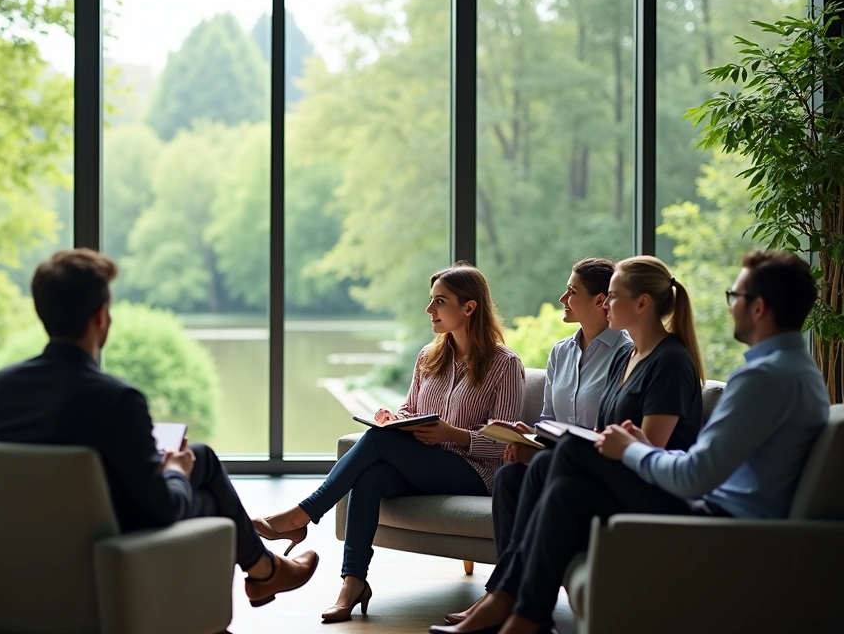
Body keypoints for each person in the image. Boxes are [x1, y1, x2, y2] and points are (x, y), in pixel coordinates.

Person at [431, 250, 827, 634]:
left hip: (722, 522)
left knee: (566, 458)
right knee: (562, 486)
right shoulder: (790, 371)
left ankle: (512, 604)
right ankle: (522, 612)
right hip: (719, 508)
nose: (730, 307)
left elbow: (695, 476)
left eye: (735, 296)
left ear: (758, 308)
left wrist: (633, 449)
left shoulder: (763, 378)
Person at [0, 249, 319, 607]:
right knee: (203, 490)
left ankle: (262, 572)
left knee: (201, 457)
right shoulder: (117, 399)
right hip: (100, 548)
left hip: (20, 549)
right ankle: (261, 573)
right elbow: (164, 510)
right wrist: (173, 472)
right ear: (101, 317)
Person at [446, 254, 705, 628]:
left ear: (642, 303)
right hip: (615, 475)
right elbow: (602, 435)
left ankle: (507, 598)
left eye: (613, 296)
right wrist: (531, 436)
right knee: (512, 477)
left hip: (651, 486)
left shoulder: (670, 362)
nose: (606, 303)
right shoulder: (627, 359)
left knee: (563, 460)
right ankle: (515, 604)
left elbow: (651, 451)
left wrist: (579, 447)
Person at [256, 263, 526, 622]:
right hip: (425, 465)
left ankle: (302, 514)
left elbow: (507, 443)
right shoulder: (429, 357)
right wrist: (395, 420)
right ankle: (353, 582)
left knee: (377, 444)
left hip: (477, 474)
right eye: (431, 301)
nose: (429, 310)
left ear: (469, 307)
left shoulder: (505, 365)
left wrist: (452, 434)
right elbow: (412, 408)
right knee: (370, 479)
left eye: (439, 302)